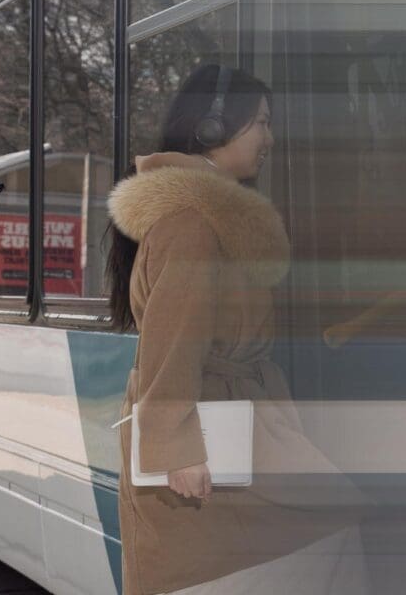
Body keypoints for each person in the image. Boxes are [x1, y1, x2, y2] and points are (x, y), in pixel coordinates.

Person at [107, 64, 367, 594]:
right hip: (206, 429)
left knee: (315, 544)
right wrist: (176, 449)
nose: (270, 138)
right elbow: (171, 339)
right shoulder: (194, 221)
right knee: (312, 543)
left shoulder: (206, 213)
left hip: (234, 420)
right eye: (261, 123)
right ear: (213, 126)